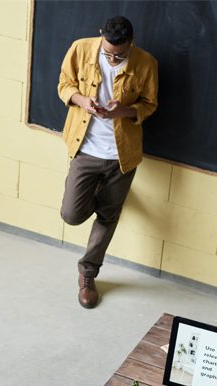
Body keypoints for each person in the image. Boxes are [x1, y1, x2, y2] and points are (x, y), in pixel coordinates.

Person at [57, 16, 159, 308]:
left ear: (132, 43)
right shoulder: (81, 49)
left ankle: (88, 274)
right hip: (85, 148)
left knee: (108, 216)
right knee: (71, 214)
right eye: (108, 52)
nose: (113, 58)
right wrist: (81, 100)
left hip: (121, 155)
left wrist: (123, 110)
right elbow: (64, 84)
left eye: (120, 54)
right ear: (101, 36)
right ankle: (101, 197)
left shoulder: (146, 63)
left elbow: (150, 104)